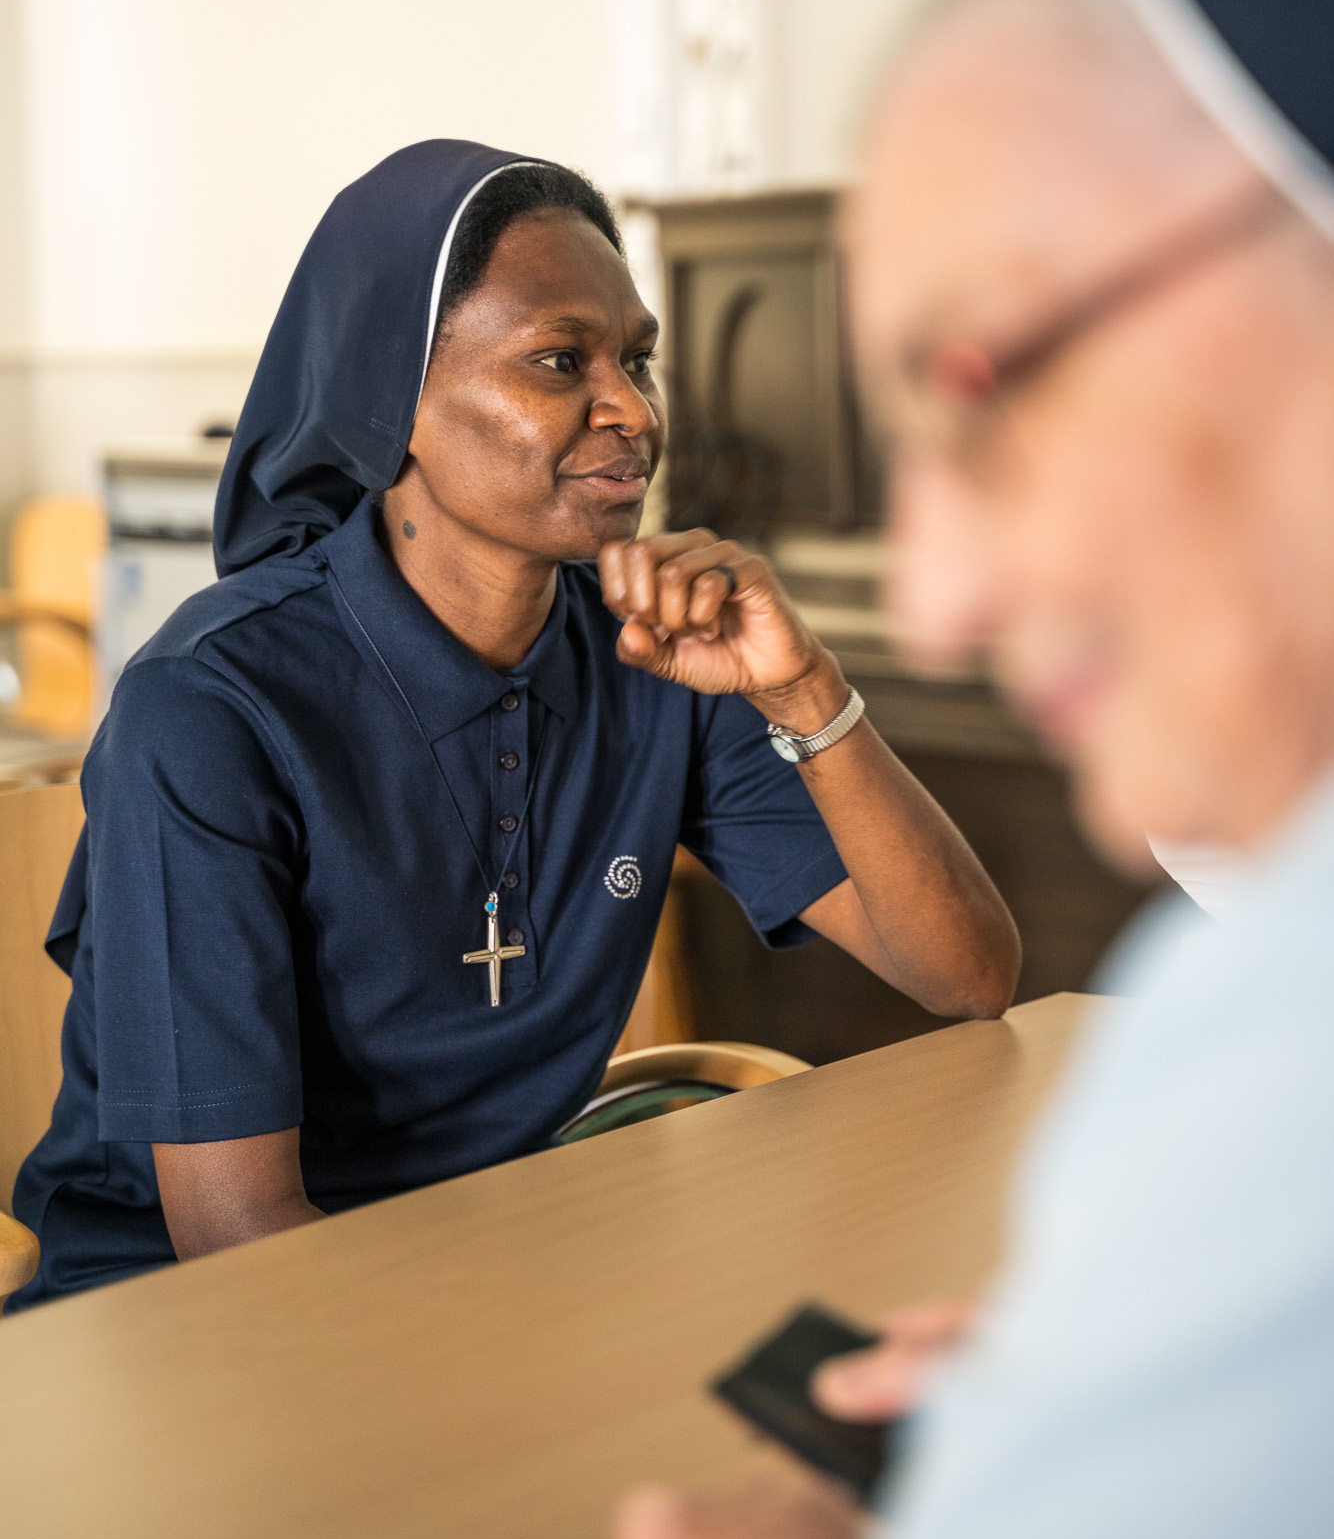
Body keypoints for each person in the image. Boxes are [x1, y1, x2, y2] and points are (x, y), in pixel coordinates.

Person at [614, 0, 1334, 1539]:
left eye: (985, 377)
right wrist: (1139, 1416)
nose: (935, 586)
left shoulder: (1288, 1040)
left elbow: (963, 965)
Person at [7, 143, 1017, 1312]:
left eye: (637, 359)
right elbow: (242, 1241)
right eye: (559, 361)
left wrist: (801, 690)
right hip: (175, 1332)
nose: (632, 411)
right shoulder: (212, 708)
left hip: (503, 1270)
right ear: (394, 401)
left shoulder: (653, 654)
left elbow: (965, 976)